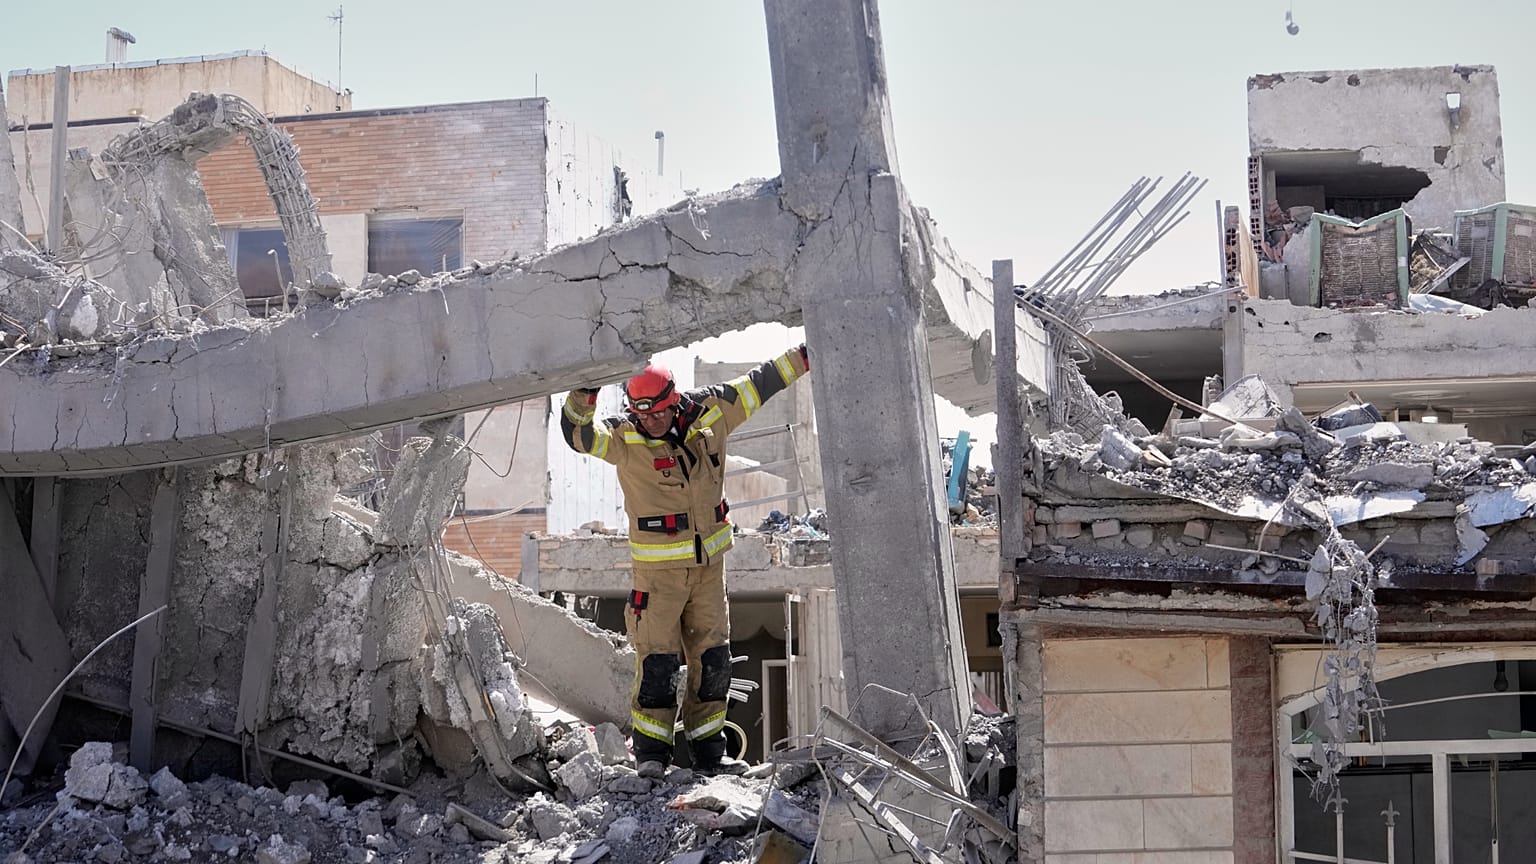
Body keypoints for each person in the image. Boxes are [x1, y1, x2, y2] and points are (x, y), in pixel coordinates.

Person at [559, 344, 811, 777]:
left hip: (710, 571)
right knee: (657, 664)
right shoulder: (625, 437)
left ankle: (709, 753)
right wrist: (588, 385)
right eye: (641, 414)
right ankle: (652, 756)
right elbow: (578, 434)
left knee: (713, 661)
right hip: (657, 579)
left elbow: (763, 381)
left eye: (656, 412)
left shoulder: (714, 412)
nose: (650, 421)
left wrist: (809, 354)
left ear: (673, 400)